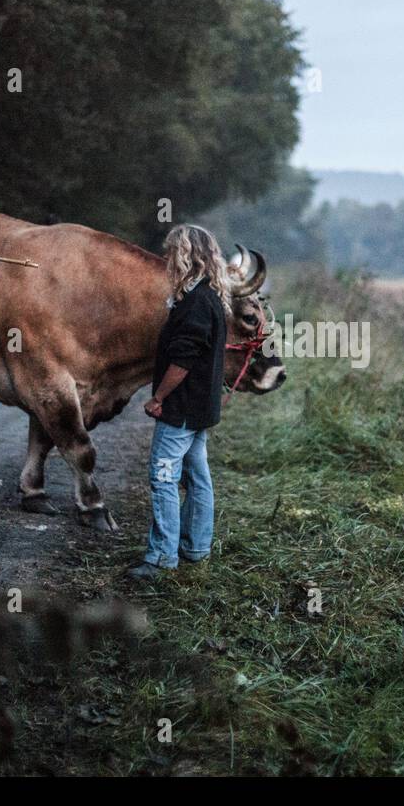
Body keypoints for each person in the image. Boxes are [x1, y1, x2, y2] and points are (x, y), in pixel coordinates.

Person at [127, 224, 231, 580]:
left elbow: (183, 359)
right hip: (200, 409)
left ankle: (160, 557)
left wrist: (158, 397)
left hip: (182, 409)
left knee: (163, 477)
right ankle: (195, 547)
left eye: (172, 252)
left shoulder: (196, 302)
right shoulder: (210, 297)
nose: (168, 259)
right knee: (198, 477)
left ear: (187, 256)